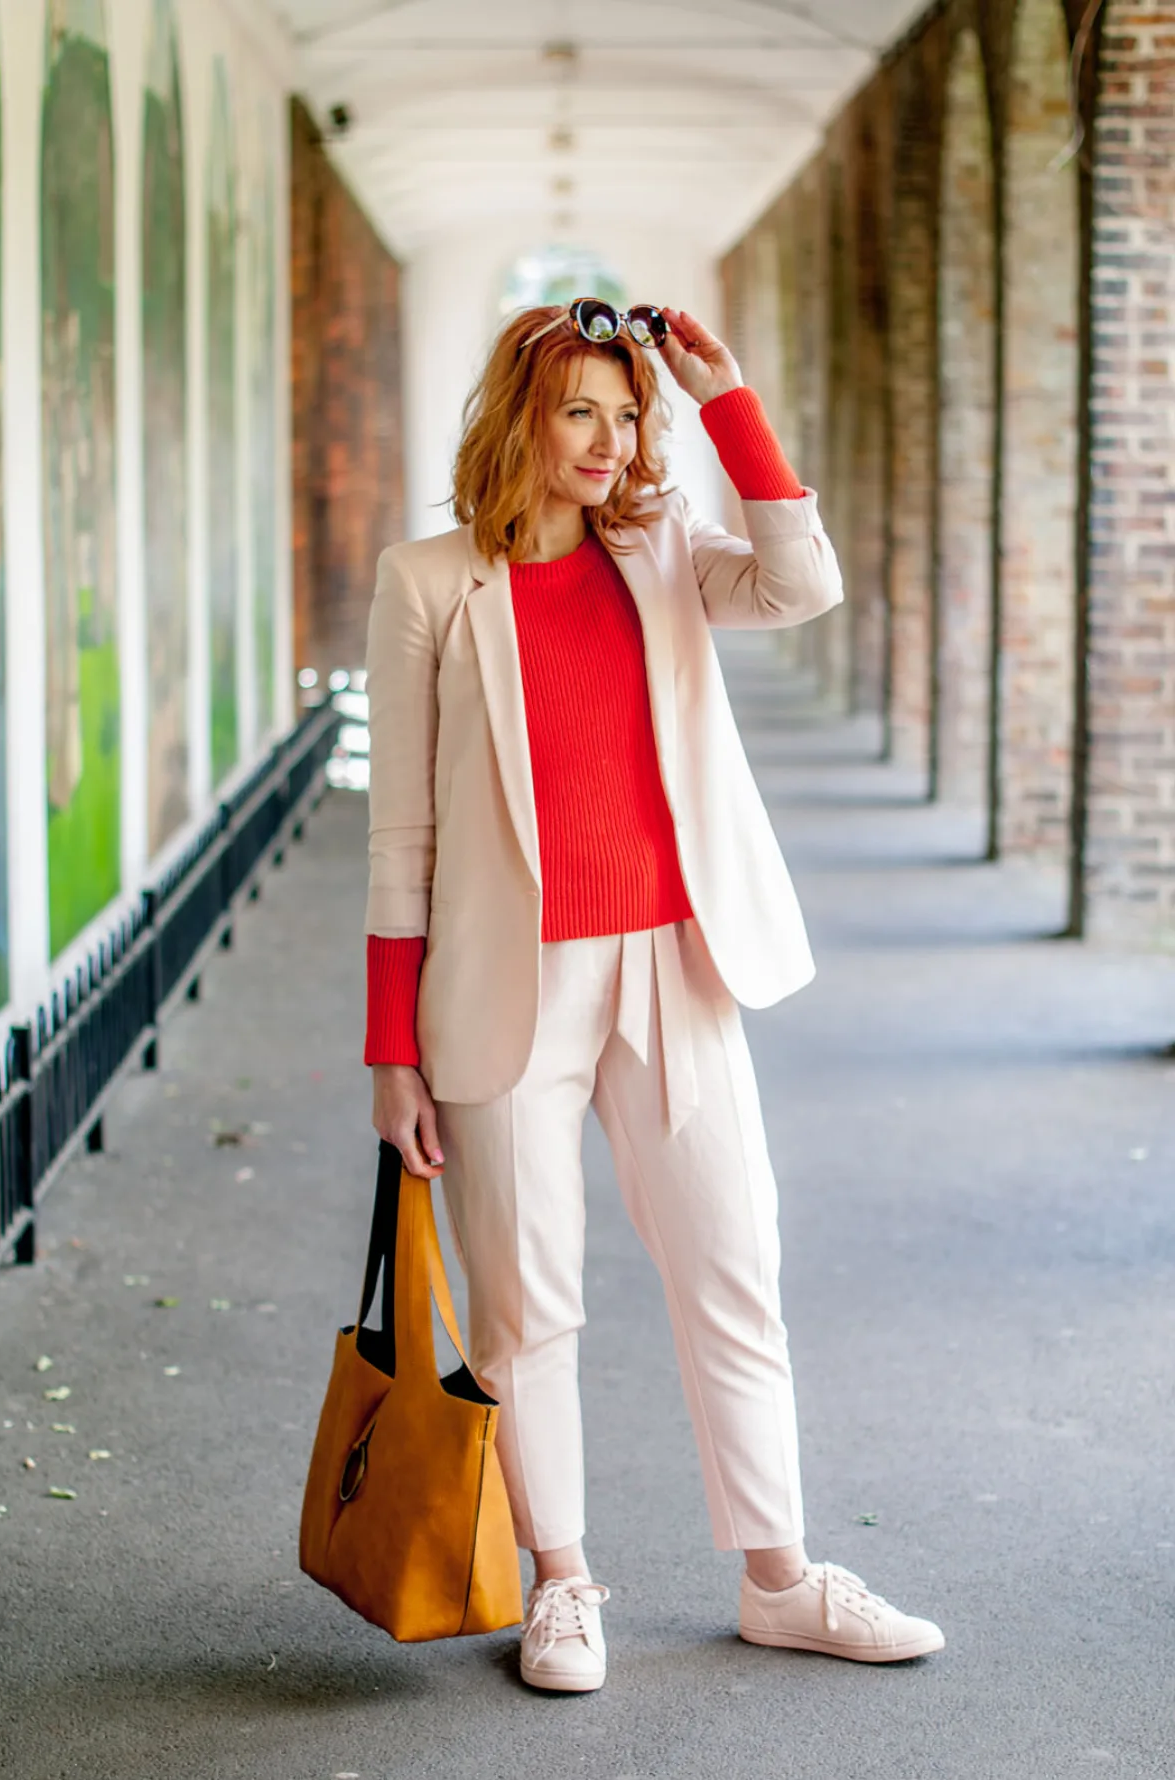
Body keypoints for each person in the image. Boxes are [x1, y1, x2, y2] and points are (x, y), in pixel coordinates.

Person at [363, 298, 944, 1692]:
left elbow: (804, 585)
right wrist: (392, 1052)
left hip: (675, 963)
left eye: (628, 417)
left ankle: (781, 1579)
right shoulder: (431, 583)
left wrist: (726, 400)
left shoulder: (666, 552)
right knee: (524, 1306)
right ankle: (564, 1584)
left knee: (733, 1266)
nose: (609, 441)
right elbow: (402, 838)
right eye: (581, 411)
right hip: (507, 986)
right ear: (520, 416)